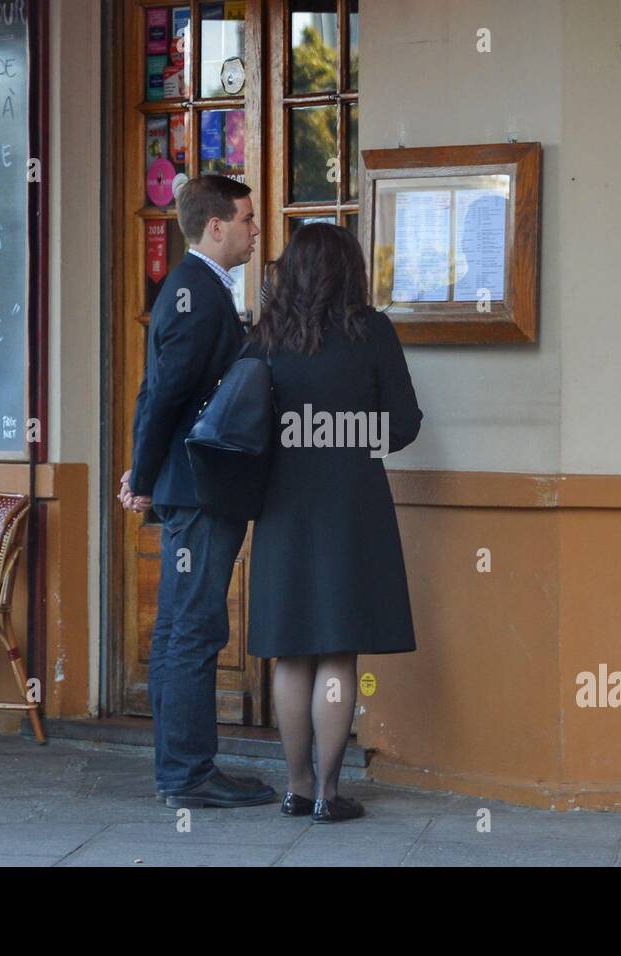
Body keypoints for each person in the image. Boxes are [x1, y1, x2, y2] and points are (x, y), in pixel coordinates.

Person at [243, 223, 423, 822]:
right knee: (338, 652)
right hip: (352, 504)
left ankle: (294, 788)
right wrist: (348, 434)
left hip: (282, 504)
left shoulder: (265, 337)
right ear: (351, 270)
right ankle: (328, 794)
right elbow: (403, 426)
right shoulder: (370, 331)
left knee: (291, 652)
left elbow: (239, 422)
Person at [121, 175, 274, 809]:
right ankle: (188, 774)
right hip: (199, 486)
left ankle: (181, 768)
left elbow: (157, 391)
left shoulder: (193, 290)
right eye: (245, 219)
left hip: (190, 483)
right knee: (194, 628)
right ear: (215, 226)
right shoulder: (197, 295)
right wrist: (145, 475)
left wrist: (143, 471)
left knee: (181, 628)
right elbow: (165, 395)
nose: (254, 230)